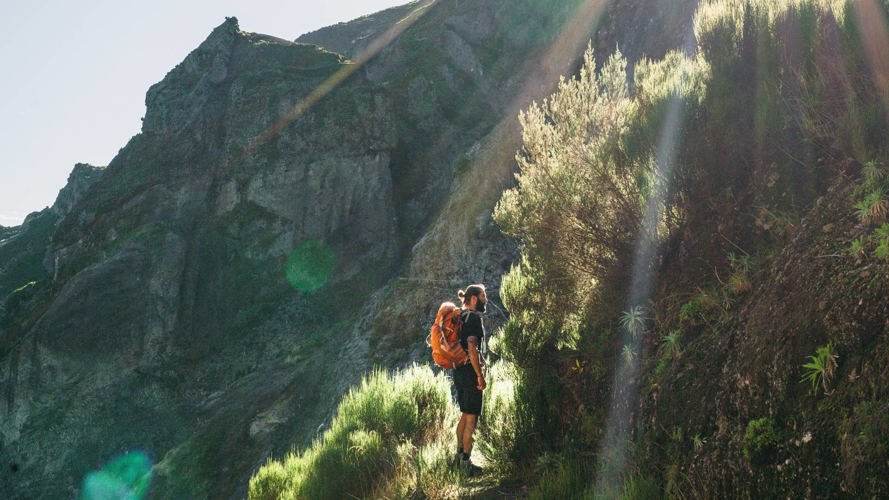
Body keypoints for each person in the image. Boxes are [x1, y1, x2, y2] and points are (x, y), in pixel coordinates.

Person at [453, 284, 487, 477]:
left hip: (458, 371)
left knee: (465, 414)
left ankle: (458, 457)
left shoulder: (460, 316)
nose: (485, 300)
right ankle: (467, 464)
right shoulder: (473, 318)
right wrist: (480, 376)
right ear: (474, 298)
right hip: (469, 372)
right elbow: (472, 350)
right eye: (483, 296)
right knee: (471, 418)